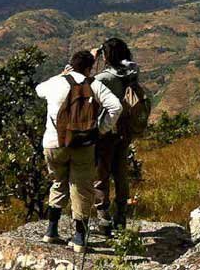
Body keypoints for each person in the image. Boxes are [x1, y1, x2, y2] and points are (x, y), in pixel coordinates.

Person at [36, 49, 121, 252]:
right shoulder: (93, 84)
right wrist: (100, 129)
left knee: (58, 183)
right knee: (82, 188)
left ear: (71, 65)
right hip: (84, 144)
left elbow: (39, 89)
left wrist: (61, 75)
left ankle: (51, 231)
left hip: (54, 143)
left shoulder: (56, 83)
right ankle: (79, 238)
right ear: (89, 68)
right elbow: (116, 107)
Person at [93, 37, 140, 235]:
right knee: (120, 173)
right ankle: (121, 216)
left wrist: (93, 59)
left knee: (100, 175)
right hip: (124, 130)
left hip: (106, 131)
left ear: (107, 55)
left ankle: (103, 217)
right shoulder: (131, 72)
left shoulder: (104, 78)